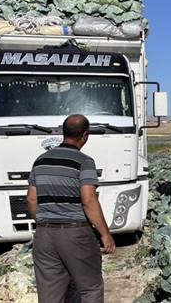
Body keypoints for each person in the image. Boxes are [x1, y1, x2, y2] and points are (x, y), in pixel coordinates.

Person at [26, 114, 115, 303]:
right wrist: (105, 234)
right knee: (90, 289)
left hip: (44, 236)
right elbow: (89, 201)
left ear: (63, 133)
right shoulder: (84, 162)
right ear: (85, 135)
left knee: (50, 294)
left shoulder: (40, 161)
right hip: (76, 233)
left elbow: (31, 199)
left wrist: (44, 223)